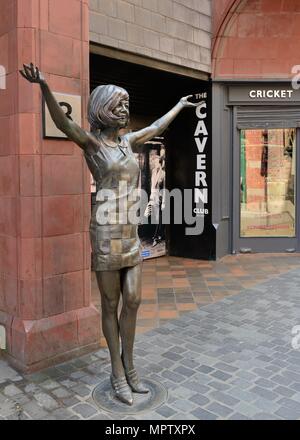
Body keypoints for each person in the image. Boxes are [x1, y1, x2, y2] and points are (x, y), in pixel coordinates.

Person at [20, 63, 201, 406]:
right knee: (110, 303)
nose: (124, 110)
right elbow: (63, 123)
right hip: (105, 232)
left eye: (126, 104)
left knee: (133, 300)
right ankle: (118, 371)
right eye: (118, 105)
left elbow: (156, 126)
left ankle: (130, 365)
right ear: (103, 110)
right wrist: (44, 86)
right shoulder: (92, 145)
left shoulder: (129, 141)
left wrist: (178, 105)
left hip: (129, 232)